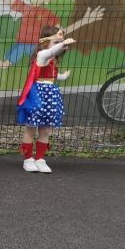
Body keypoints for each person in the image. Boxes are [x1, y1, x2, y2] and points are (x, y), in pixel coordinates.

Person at [16, 25, 75, 174]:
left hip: (50, 94)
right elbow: (50, 52)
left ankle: (40, 158)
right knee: (31, 128)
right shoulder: (42, 54)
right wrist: (63, 43)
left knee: (46, 129)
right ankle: (28, 159)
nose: (59, 47)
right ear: (45, 42)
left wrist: (63, 76)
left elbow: (53, 75)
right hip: (37, 96)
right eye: (55, 42)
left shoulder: (53, 59)